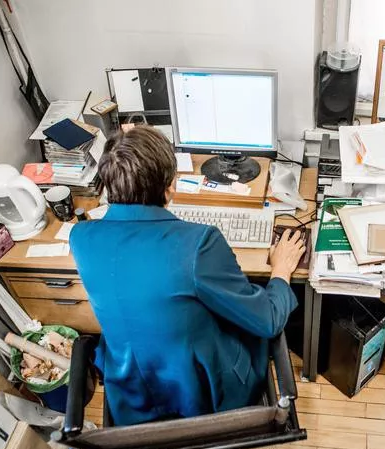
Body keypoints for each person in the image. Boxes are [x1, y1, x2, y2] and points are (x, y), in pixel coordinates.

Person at [70, 127, 305, 426]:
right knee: (252, 308)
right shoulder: (199, 243)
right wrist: (281, 269)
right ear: (170, 187)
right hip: (206, 401)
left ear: (106, 186)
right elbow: (268, 320)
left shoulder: (81, 237)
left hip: (132, 400)